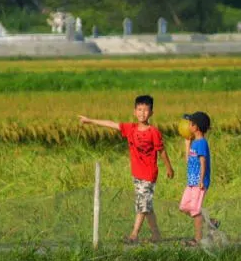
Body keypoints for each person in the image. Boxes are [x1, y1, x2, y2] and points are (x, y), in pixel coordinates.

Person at [79, 95, 174, 244]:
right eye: (140, 109)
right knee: (145, 205)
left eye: (146, 110)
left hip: (149, 174)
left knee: (142, 204)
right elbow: (111, 124)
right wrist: (90, 120)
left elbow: (161, 151)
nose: (142, 113)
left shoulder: (153, 132)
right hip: (136, 174)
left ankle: (134, 234)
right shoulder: (130, 128)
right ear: (134, 112)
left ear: (151, 113)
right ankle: (156, 235)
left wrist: (169, 168)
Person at [179, 111, 217, 246]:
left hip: (199, 183)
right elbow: (188, 161)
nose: (188, 125)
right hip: (191, 182)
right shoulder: (194, 142)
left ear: (196, 127)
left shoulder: (201, 143)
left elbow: (203, 162)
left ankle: (197, 239)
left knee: (195, 211)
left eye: (190, 123)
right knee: (184, 207)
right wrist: (187, 143)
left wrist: (201, 180)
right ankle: (210, 222)